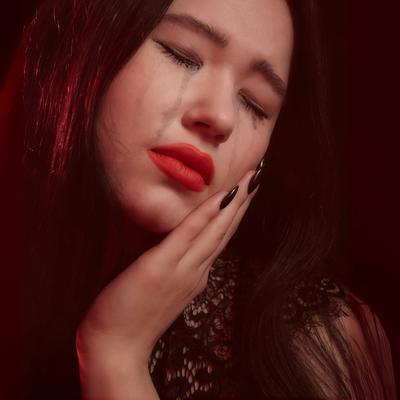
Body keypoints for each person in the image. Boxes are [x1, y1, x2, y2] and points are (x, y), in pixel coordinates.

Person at [0, 0, 397, 399]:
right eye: (183, 56)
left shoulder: (314, 338)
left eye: (255, 103)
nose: (221, 117)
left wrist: (116, 357)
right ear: (83, 44)